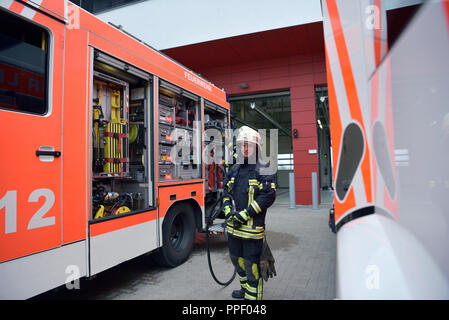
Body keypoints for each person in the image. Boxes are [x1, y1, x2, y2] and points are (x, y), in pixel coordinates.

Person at [222, 126, 277, 300]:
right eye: (241, 145)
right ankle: (245, 291)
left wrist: (245, 214)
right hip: (233, 230)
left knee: (252, 267)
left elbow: (268, 195)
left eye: (249, 145)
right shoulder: (235, 170)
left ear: (257, 147)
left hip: (252, 232)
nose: (245, 149)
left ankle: (253, 299)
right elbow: (225, 193)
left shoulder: (264, 167)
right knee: (237, 262)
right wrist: (228, 210)